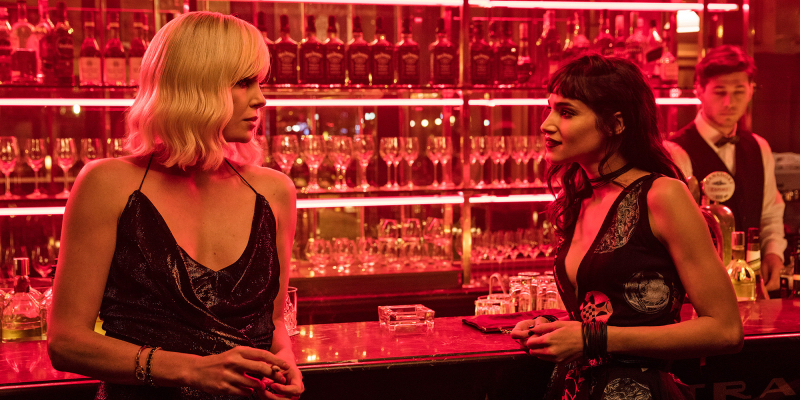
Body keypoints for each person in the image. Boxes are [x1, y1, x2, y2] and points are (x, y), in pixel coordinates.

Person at [47, 12, 303, 400]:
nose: (261, 98)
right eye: (243, 82)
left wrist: (285, 363)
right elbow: (66, 342)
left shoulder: (275, 191)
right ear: (196, 85)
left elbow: (273, 326)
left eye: (260, 83)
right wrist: (192, 370)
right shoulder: (108, 184)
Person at [510, 54, 743, 399]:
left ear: (616, 123)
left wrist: (591, 339)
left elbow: (725, 331)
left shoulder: (662, 194)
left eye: (567, 112)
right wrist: (553, 329)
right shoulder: (581, 196)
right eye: (549, 109)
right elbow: (612, 309)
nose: (546, 124)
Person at [667, 45, 787, 292]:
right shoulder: (675, 151)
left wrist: (774, 254)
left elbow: (770, 214)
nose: (730, 102)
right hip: (699, 288)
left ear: (751, 90)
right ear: (699, 90)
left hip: (752, 282)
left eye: (739, 91)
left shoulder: (759, 146)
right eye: (720, 92)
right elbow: (675, 233)